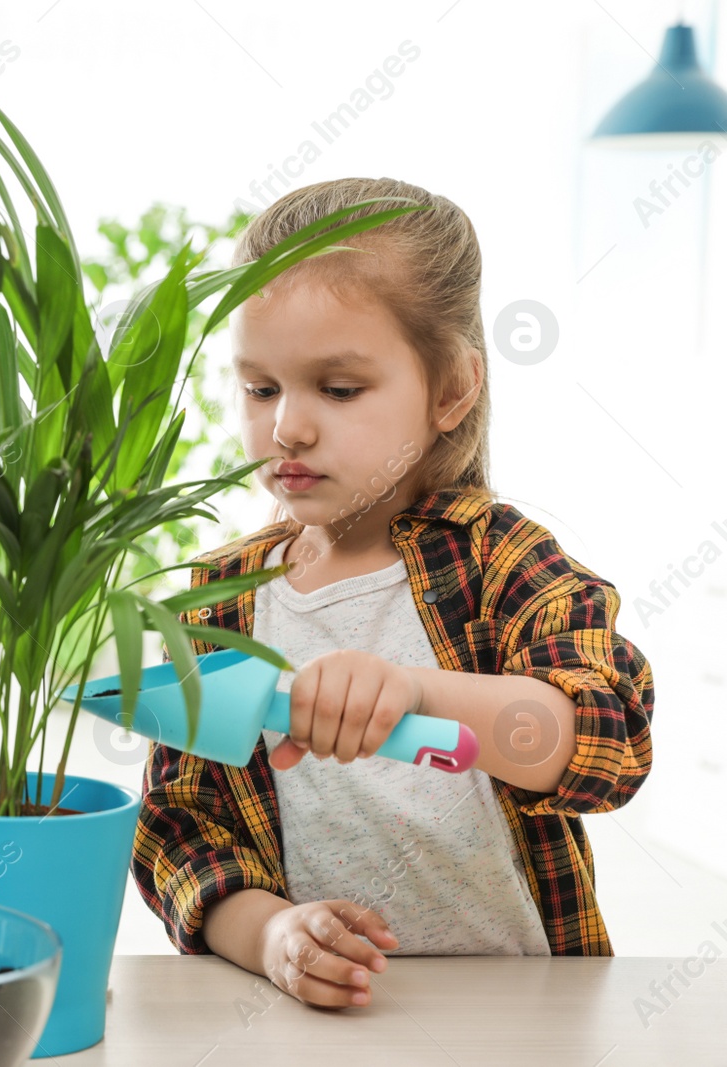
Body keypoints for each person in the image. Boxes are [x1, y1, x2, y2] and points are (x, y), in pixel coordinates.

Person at [132, 177, 654, 1010]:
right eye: (261, 388)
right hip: (322, 1024)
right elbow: (181, 831)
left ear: (451, 389)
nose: (286, 428)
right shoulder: (216, 602)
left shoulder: (500, 559)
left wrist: (414, 690)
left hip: (526, 1020)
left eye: (338, 390)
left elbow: (608, 739)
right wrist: (272, 935)